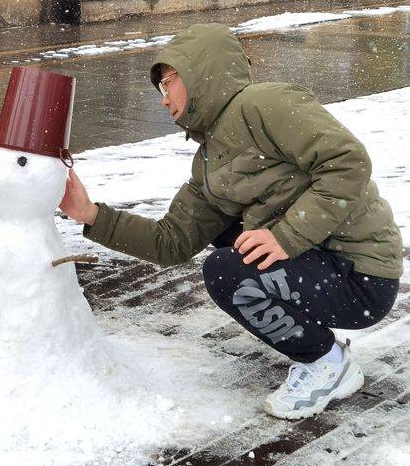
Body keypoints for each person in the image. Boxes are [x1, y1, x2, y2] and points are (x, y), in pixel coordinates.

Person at [60, 23, 402, 420]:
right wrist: (90, 214)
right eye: (160, 89)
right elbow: (171, 241)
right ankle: (319, 345)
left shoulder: (264, 104)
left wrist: (286, 238)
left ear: (199, 72)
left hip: (360, 276)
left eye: (168, 83)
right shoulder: (208, 161)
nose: (163, 99)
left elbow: (347, 163)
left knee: (227, 270)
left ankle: (325, 363)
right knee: (226, 240)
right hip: (320, 265)